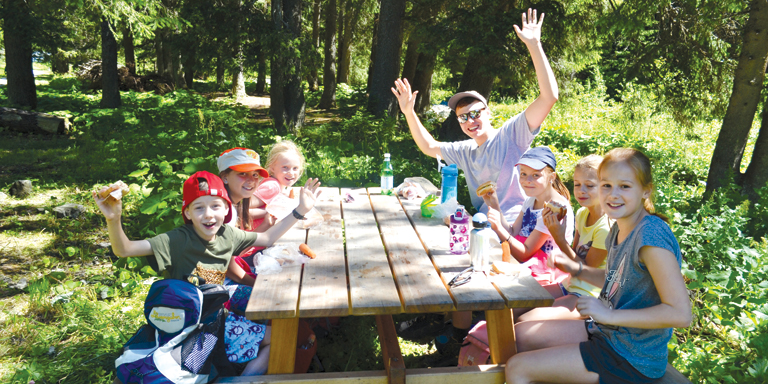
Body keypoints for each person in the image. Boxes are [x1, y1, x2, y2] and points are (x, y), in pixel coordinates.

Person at [95, 171, 321, 378]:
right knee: (283, 339)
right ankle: (241, 380)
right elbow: (124, 249)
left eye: (215, 206)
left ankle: (247, 347)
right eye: (199, 208)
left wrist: (300, 210)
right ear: (188, 213)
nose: (208, 214)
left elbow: (268, 238)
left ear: (226, 209)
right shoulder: (177, 240)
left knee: (275, 302)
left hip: (218, 304)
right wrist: (113, 219)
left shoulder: (228, 234)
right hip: (195, 325)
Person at [506, 148, 692, 384]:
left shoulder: (650, 237)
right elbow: (618, 279)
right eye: (606, 185)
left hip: (632, 356)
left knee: (517, 368)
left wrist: (609, 314)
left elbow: (680, 314)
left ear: (646, 190)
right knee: (520, 336)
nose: (613, 195)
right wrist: (579, 270)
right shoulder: (619, 227)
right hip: (606, 332)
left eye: (624, 186)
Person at [391, 8, 558, 224]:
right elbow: (429, 146)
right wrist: (408, 112)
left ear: (488, 112)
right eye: (462, 117)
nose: (470, 121)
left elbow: (549, 97)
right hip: (482, 223)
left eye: (475, 113)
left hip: (516, 227)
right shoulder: (466, 152)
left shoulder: (511, 135)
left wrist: (534, 45)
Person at [517, 154, 611, 322]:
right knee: (513, 307)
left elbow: (585, 270)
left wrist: (559, 238)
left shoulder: (605, 227)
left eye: (590, 185)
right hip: (568, 284)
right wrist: (559, 252)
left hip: (588, 294)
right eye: (577, 184)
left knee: (526, 320)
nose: (581, 190)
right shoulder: (582, 213)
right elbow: (574, 254)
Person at [485, 146, 574, 283]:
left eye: (536, 175)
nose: (527, 180)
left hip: (544, 274)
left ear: (551, 177)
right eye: (523, 174)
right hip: (525, 266)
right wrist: (495, 206)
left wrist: (498, 228)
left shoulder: (554, 210)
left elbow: (524, 254)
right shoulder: (531, 200)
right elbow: (513, 232)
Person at [250, 140, 306, 232]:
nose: (291, 173)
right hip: (254, 238)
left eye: (295, 168)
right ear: (272, 168)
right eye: (285, 167)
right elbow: (241, 210)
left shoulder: (278, 185)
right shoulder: (272, 187)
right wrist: (273, 211)